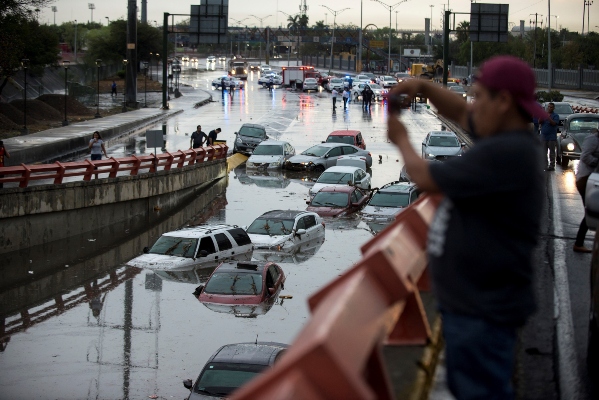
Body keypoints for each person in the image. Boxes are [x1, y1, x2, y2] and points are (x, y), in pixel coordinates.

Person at [386, 55, 547, 399]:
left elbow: (425, 177)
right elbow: (461, 113)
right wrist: (423, 86)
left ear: (502, 102)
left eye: (479, 96)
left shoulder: (506, 153)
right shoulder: (510, 138)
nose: (473, 105)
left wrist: (400, 138)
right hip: (475, 308)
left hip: (482, 314)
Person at [573, 128, 599, 253]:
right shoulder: (593, 139)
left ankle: (579, 242)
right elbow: (584, 156)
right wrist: (597, 162)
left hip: (592, 178)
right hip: (585, 179)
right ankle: (578, 243)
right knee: (591, 212)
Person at [539, 102, 559, 171]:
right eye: (549, 107)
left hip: (552, 137)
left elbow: (554, 123)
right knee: (544, 152)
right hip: (544, 136)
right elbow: (540, 122)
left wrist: (548, 117)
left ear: (553, 108)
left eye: (551, 107)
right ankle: (545, 165)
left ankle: (552, 165)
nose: (549, 108)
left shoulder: (555, 115)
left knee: (552, 152)